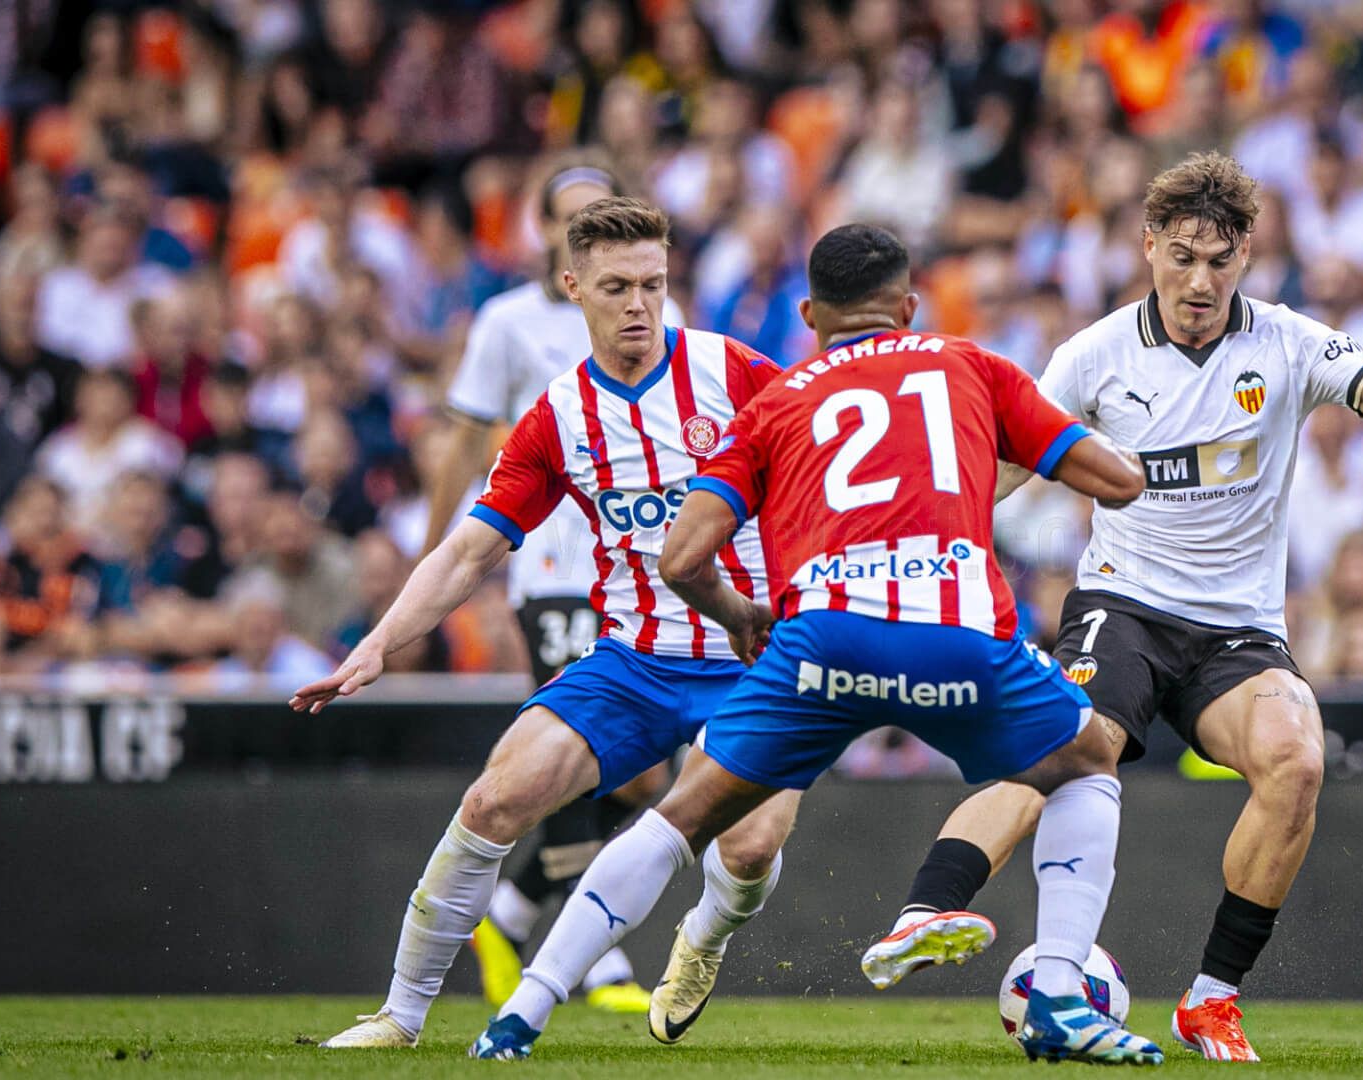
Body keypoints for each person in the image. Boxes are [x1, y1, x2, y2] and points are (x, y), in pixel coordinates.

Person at [477, 223, 1161, 1065]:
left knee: (680, 819)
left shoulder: (775, 400)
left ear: (809, 313)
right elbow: (1120, 483)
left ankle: (520, 1018)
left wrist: (737, 615)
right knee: (1088, 761)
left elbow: (680, 557)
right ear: (909, 307)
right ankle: (1058, 990)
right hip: (957, 637)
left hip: (822, 644)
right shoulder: (970, 366)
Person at [860, 152, 1363, 1063]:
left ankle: (1210, 999)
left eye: (1218, 260)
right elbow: (1010, 466)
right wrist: (930, 541)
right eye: (1180, 257)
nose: (1198, 281)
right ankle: (924, 913)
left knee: (1296, 761)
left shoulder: (1288, 342)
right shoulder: (1094, 354)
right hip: (1122, 604)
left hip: (1238, 631)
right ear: (1147, 248)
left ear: (1247, 253)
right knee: (1068, 744)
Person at [293, 198, 797, 1051]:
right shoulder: (559, 418)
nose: (640, 304)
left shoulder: (735, 372)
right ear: (572, 288)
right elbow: (468, 554)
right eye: (616, 287)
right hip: (635, 661)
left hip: (756, 658)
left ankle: (702, 936)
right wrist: (380, 643)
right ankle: (400, 1017)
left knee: (745, 851)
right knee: (494, 799)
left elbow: (822, 467)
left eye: (654, 284)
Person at [423, 161, 690, 1014]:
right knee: (586, 748)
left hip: (641, 567)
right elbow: (465, 444)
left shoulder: (659, 313)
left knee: (649, 772)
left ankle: (508, 913)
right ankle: (595, 959)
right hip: (552, 567)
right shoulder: (505, 323)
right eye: (571, 218)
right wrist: (436, 560)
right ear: (546, 234)